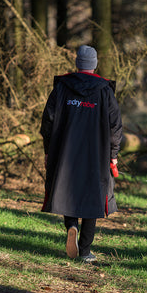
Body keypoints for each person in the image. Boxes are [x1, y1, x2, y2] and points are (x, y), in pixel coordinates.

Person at [40, 45, 123, 263]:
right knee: (93, 198)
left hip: (66, 153)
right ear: (94, 65)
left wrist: (48, 151)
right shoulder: (104, 90)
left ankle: (71, 226)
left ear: (78, 64)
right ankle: (85, 251)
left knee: (69, 191)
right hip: (97, 154)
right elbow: (115, 127)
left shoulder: (62, 88)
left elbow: (47, 121)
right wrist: (114, 154)